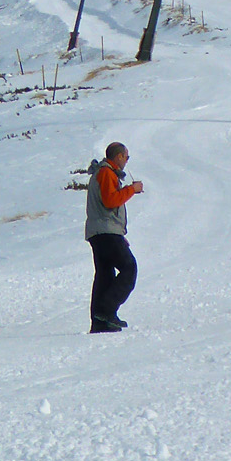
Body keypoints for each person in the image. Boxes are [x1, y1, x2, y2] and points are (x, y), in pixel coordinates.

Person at [85, 141, 144, 333]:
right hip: (105, 230)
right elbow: (110, 201)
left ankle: (100, 321)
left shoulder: (100, 173)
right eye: (126, 157)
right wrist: (131, 190)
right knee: (129, 267)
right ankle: (106, 312)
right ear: (118, 157)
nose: (127, 161)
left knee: (104, 275)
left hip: (100, 231)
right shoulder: (106, 173)